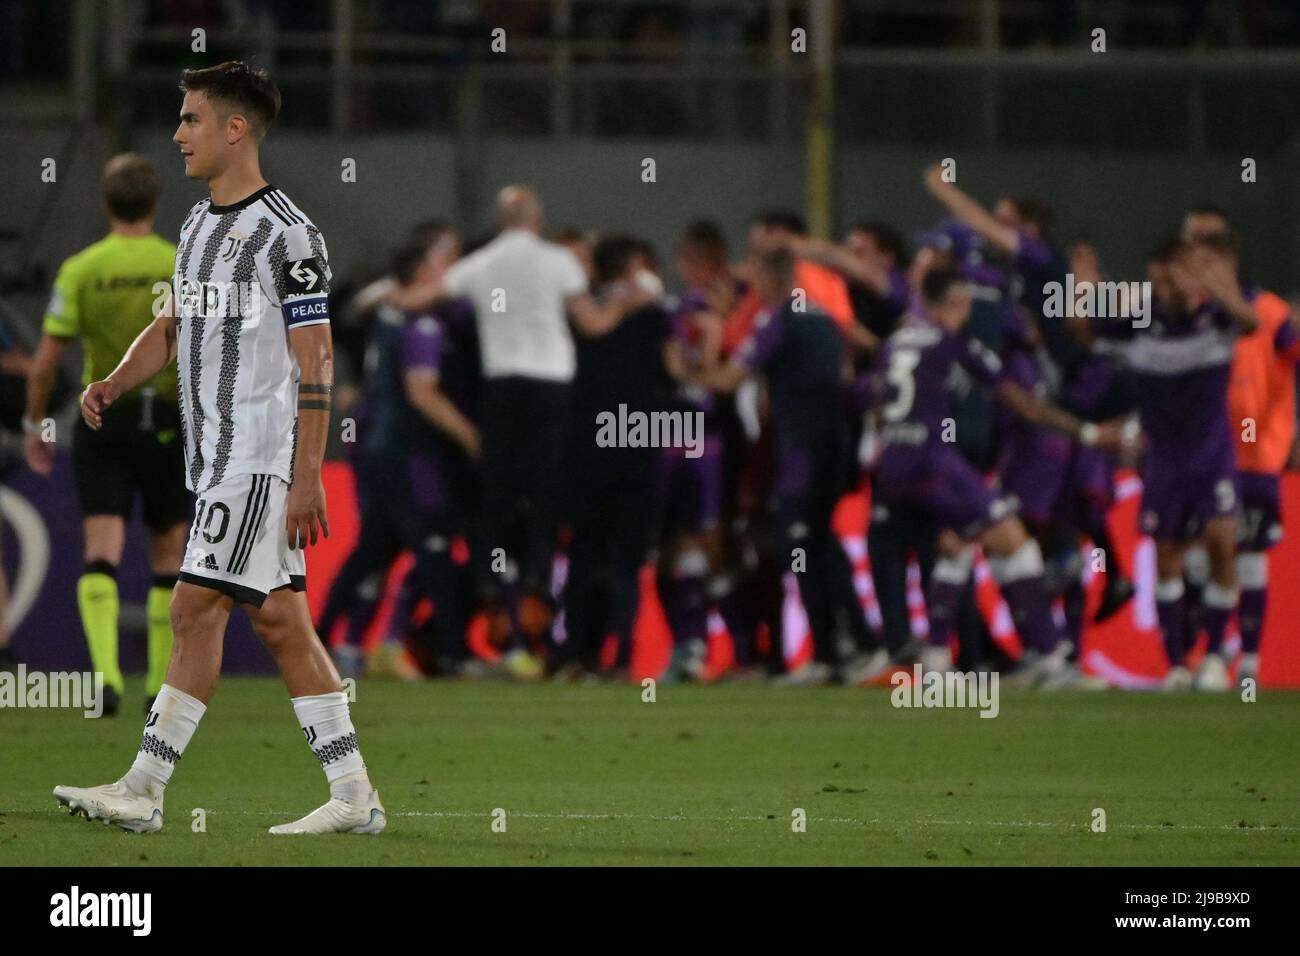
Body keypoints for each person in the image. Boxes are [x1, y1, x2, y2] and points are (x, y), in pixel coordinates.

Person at [53, 61, 383, 834]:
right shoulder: (199, 225)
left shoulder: (290, 235)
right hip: (215, 463)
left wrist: (308, 475)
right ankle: (353, 794)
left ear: (236, 128)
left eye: (192, 119)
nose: (177, 134)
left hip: (259, 460)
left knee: (195, 607)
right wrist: (113, 381)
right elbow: (172, 328)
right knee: (279, 622)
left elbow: (318, 359)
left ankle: (143, 787)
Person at [431, 185, 647, 677]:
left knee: (495, 495)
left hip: (501, 386)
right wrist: (626, 305)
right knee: (546, 494)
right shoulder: (558, 262)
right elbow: (591, 324)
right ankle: (534, 589)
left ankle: (489, 593)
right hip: (551, 387)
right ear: (538, 217)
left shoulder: (481, 263)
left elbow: (429, 294)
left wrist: (388, 295)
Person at [871, 267, 1123, 684]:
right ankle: (1050, 660)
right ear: (960, 304)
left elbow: (880, 403)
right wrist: (1090, 432)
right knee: (1014, 541)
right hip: (933, 459)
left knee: (957, 545)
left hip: (893, 463)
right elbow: (1025, 405)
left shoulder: (897, 342)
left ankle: (935, 665)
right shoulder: (953, 343)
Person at [23, 154, 190, 716]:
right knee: (169, 551)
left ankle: (105, 677)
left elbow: (46, 361)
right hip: (169, 422)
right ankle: (158, 691)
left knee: (102, 549)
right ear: (155, 202)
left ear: (105, 202)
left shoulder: (82, 267)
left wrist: (36, 423)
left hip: (104, 416)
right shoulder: (179, 261)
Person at [700, 248, 887, 685]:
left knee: (802, 545)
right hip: (835, 446)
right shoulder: (825, 319)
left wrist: (685, 373)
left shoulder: (778, 321)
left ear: (772, 278)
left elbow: (731, 379)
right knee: (820, 543)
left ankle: (854, 646)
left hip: (803, 452)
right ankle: (838, 650)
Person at [1081, 238, 1258, 690]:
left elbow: (1251, 322)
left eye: (1183, 269)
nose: (1175, 279)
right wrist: (1081, 287)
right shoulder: (1139, 321)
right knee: (1167, 557)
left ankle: (1217, 656)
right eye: (1166, 271)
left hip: (1213, 454)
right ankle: (1177, 663)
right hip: (1163, 458)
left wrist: (1219, 284)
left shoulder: (1217, 315)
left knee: (1222, 541)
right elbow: (1083, 330)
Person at [318, 227, 481, 680]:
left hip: (383, 449)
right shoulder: (419, 321)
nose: (449, 271)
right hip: (407, 453)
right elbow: (422, 393)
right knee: (433, 546)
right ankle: (452, 654)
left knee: (373, 550)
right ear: (420, 273)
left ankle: (322, 637)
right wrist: (470, 435)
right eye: (440, 261)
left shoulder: (389, 313)